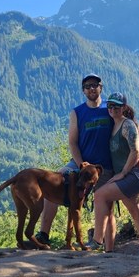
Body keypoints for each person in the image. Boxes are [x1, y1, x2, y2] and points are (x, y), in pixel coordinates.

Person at [34, 73, 116, 247]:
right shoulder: (77, 112)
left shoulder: (110, 109)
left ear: (101, 87)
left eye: (94, 85)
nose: (91, 88)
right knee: (52, 184)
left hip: (104, 166)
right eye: (87, 86)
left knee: (105, 201)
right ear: (83, 91)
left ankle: (104, 244)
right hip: (81, 163)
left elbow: (128, 120)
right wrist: (81, 164)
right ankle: (43, 235)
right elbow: (72, 142)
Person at [91, 92, 139, 256]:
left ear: (124, 108)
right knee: (136, 211)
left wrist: (123, 173)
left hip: (134, 175)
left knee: (100, 195)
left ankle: (96, 241)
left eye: (116, 106)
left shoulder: (127, 125)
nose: (112, 109)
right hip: (129, 175)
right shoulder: (113, 124)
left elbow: (135, 151)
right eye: (110, 106)